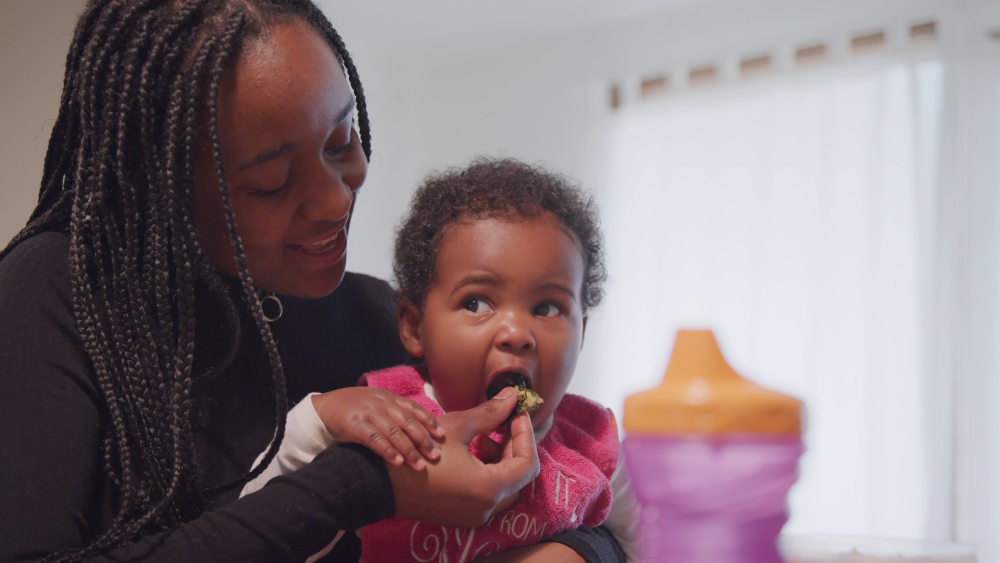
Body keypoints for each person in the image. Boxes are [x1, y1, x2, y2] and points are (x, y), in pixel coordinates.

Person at [0, 1, 628, 562]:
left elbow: (588, 499)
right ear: (159, 187)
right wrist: (363, 482)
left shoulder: (375, 315)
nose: (334, 201)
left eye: (341, 139)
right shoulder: (53, 295)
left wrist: (580, 550)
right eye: (272, 182)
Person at [241, 158, 641, 562]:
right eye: (477, 302)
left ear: (583, 334)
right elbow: (257, 535)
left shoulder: (592, 443)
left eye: (548, 308)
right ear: (415, 327)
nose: (518, 333)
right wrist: (316, 419)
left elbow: (647, 542)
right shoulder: (389, 421)